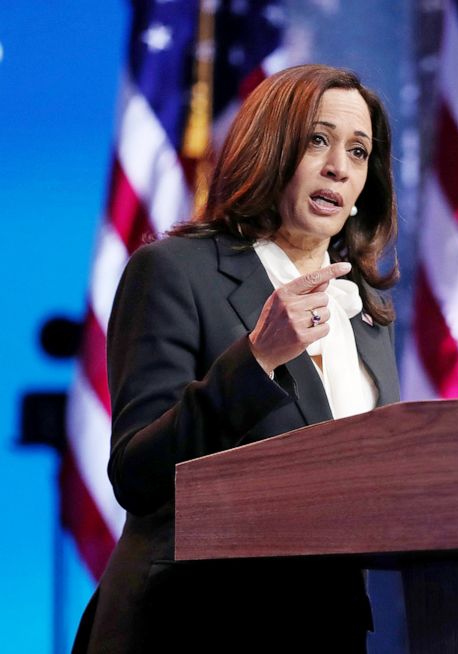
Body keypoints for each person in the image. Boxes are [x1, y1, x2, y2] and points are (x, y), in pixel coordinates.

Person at [72, 64, 400, 653]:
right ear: (270, 151)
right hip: (189, 621)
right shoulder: (176, 271)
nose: (338, 168)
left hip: (322, 627)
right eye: (317, 141)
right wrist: (257, 359)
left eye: (358, 151)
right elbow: (138, 474)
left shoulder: (366, 313)